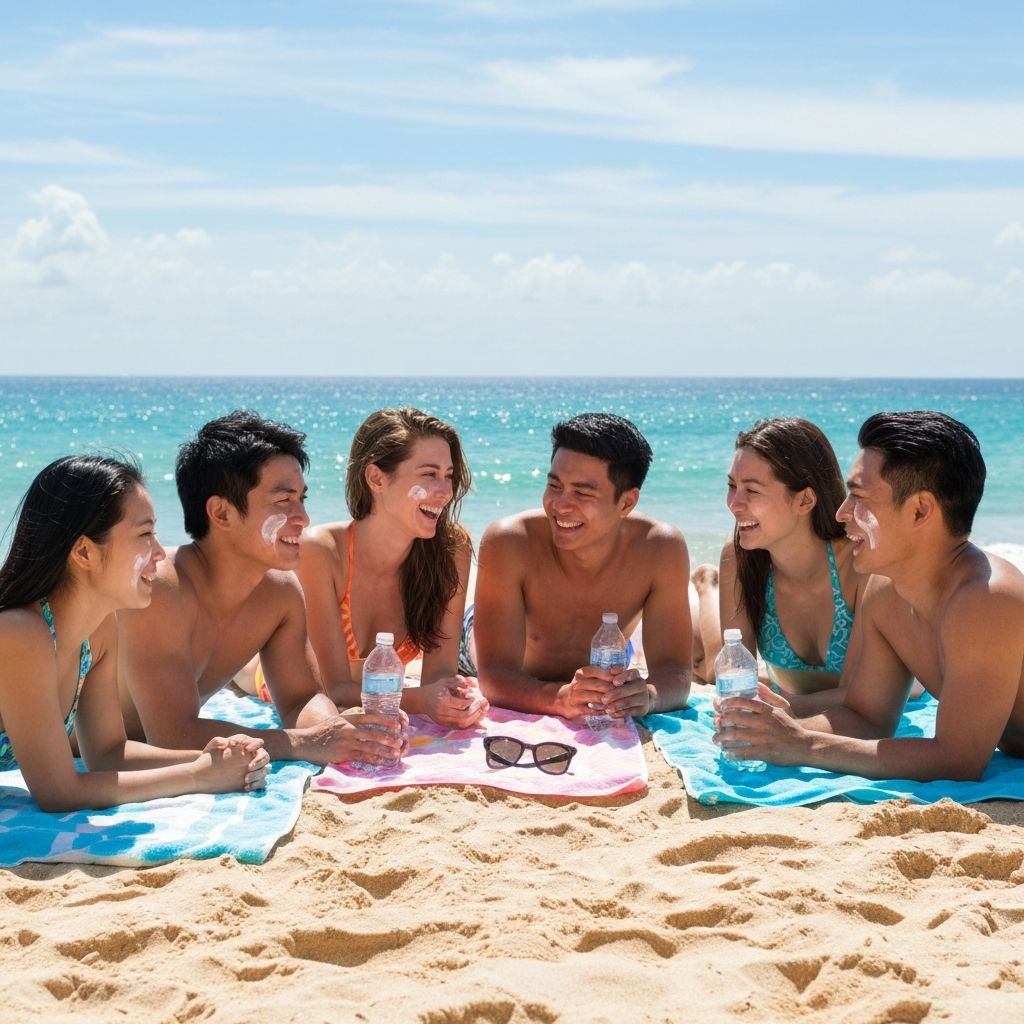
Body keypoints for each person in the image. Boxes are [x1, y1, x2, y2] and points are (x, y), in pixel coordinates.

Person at [714, 411, 1024, 781]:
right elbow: (866, 718)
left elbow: (959, 759)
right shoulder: (883, 590)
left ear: (920, 510)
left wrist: (802, 744)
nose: (842, 513)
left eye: (858, 497)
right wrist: (776, 731)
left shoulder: (987, 599)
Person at [118, 411, 405, 768]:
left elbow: (301, 700)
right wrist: (304, 742)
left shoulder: (280, 593)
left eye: (302, 499)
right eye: (284, 501)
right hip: (55, 747)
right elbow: (172, 735)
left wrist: (343, 732)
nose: (302, 517)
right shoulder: (161, 587)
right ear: (221, 513)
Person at [0, 455, 269, 812]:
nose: (160, 553)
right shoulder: (19, 633)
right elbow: (57, 792)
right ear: (83, 552)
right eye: (144, 534)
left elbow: (109, 753)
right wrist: (198, 777)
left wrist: (211, 758)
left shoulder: (98, 631)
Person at [473, 412, 691, 720]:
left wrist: (649, 696)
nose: (561, 504)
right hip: (483, 645)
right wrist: (557, 699)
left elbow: (676, 675)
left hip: (599, 663)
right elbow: (493, 677)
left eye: (582, 492)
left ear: (626, 503)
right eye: (554, 485)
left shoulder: (660, 548)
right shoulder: (509, 541)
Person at [291, 407, 485, 728]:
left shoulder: (450, 550)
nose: (445, 491)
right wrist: (422, 700)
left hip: (387, 686)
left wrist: (453, 702)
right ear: (376, 478)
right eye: (428, 474)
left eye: (448, 476)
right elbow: (333, 692)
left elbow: (437, 675)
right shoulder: (322, 552)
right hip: (286, 679)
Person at [693, 418, 868, 712]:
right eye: (732, 486)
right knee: (712, 668)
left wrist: (784, 707)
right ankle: (706, 584)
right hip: (791, 692)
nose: (734, 503)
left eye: (752, 490)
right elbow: (735, 680)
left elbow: (866, 695)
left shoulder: (860, 564)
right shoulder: (739, 558)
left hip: (796, 696)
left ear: (805, 500)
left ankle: (708, 583)